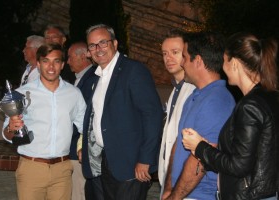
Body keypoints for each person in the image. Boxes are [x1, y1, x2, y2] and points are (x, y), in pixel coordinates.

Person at [182, 32, 279, 200]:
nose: (222, 67)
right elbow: (252, 154)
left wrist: (199, 147)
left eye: (224, 61)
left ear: (234, 63)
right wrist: (210, 150)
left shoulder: (251, 105)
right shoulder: (270, 97)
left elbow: (239, 166)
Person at [81, 24, 163, 200]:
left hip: (131, 164)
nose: (98, 49)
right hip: (102, 161)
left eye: (103, 43)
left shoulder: (133, 70)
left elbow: (152, 115)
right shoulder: (94, 77)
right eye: (92, 45)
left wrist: (145, 159)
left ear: (115, 43)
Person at [2, 43, 86, 200]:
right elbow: (6, 133)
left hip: (62, 170)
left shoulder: (74, 94)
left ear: (62, 65)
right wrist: (11, 128)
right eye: (46, 61)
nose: (51, 66)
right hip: (32, 169)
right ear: (39, 64)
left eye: (56, 61)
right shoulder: (22, 93)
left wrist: (83, 147)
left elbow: (85, 127)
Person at [162, 32, 236, 200]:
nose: (181, 62)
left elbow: (200, 159)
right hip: (181, 193)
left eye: (185, 57)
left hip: (199, 195)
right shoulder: (195, 95)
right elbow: (178, 145)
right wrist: (168, 188)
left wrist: (174, 197)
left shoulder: (217, 101)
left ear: (198, 62)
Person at [158, 30, 195, 193]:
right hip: (167, 178)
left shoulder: (195, 90)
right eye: (164, 53)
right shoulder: (176, 89)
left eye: (175, 52)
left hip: (184, 183)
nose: (168, 58)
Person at [67, 41, 98, 200]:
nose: (68, 61)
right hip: (73, 148)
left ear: (82, 56)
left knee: (79, 193)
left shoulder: (92, 78)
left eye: (70, 57)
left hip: (79, 147)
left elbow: (86, 115)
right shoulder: (79, 78)